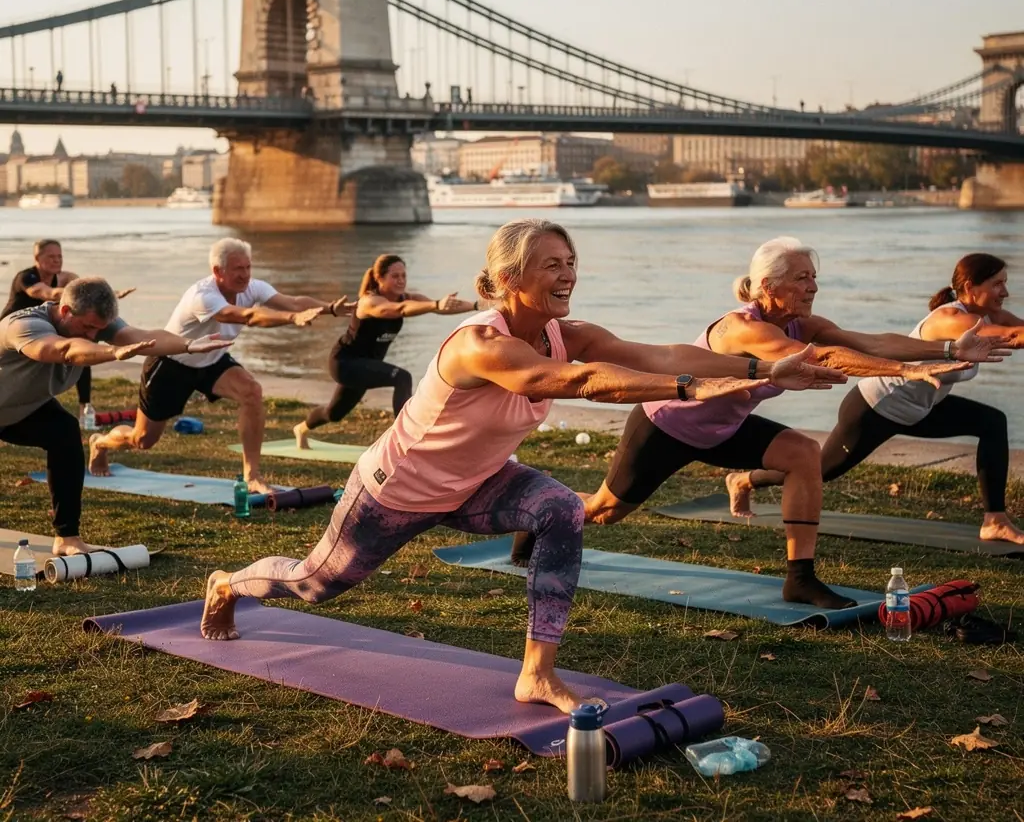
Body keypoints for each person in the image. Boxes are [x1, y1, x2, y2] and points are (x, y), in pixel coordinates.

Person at [200, 219, 847, 714]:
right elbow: (579, 381)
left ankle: (537, 670)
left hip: (479, 482)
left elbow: (661, 351)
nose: (566, 274)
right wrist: (691, 390)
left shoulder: (569, 328)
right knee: (316, 583)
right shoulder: (481, 344)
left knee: (560, 508)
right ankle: (227, 583)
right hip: (397, 490)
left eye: (571, 263)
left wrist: (762, 368)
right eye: (550, 266)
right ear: (509, 280)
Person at [575, 237, 1008, 609]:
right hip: (669, 425)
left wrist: (949, 351)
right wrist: (903, 371)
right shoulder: (744, 329)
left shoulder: (804, 323)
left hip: (723, 428)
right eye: (802, 278)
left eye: (813, 276)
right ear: (768, 286)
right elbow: (821, 359)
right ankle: (547, 517)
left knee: (802, 453)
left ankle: (799, 577)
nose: (813, 286)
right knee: (605, 512)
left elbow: (868, 340)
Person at [88, 238, 353, 493]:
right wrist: (293, 318)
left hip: (212, 358)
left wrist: (330, 308)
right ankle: (100, 443)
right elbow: (246, 316)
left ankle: (252, 476)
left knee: (252, 392)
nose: (245, 274)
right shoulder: (202, 296)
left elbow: (292, 301)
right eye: (238, 269)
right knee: (142, 440)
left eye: (248, 267)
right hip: (171, 364)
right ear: (218, 271)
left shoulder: (252, 287)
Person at [0, 278, 231, 555]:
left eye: (99, 329)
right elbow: (65, 350)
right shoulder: (24, 326)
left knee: (65, 433)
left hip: (22, 408)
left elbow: (139, 337)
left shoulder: (95, 323)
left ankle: (67, 538)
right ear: (65, 311)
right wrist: (112, 351)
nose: (92, 335)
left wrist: (189, 345)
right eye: (87, 327)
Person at [811, 252, 1024, 544]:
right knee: (819, 472)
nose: (1006, 292)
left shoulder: (987, 314)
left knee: (992, 423)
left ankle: (995, 521)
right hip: (877, 407)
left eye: (1006, 283)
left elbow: (1019, 331)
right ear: (972, 286)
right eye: (998, 283)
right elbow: (1012, 337)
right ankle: (746, 480)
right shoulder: (951, 319)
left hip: (922, 408)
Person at [294, 254, 478, 448]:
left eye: (403, 276)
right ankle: (405, 439)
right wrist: (435, 305)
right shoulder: (369, 302)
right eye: (395, 276)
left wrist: (476, 306)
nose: (401, 281)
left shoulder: (408, 298)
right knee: (402, 377)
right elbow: (399, 310)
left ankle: (301, 429)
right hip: (344, 363)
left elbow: (441, 307)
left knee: (334, 413)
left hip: (366, 366)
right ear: (380, 278)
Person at [2, 239, 136, 426]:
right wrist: (68, 296)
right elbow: (44, 293)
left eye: (59, 256)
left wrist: (109, 295)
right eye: (51, 257)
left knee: (85, 353)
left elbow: (88, 294)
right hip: (18, 336)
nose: (56, 261)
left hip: (47, 334)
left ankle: (85, 407)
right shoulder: (26, 277)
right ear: (37, 258)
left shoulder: (67, 277)